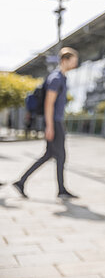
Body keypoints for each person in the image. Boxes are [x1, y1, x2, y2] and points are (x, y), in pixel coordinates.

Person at [13, 47, 80, 200]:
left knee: (50, 155)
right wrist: (49, 126)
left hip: (56, 121)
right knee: (60, 155)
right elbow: (49, 104)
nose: (75, 64)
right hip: (54, 122)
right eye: (73, 61)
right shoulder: (56, 78)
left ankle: (22, 182)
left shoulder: (62, 77)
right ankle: (60, 189)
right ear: (65, 61)